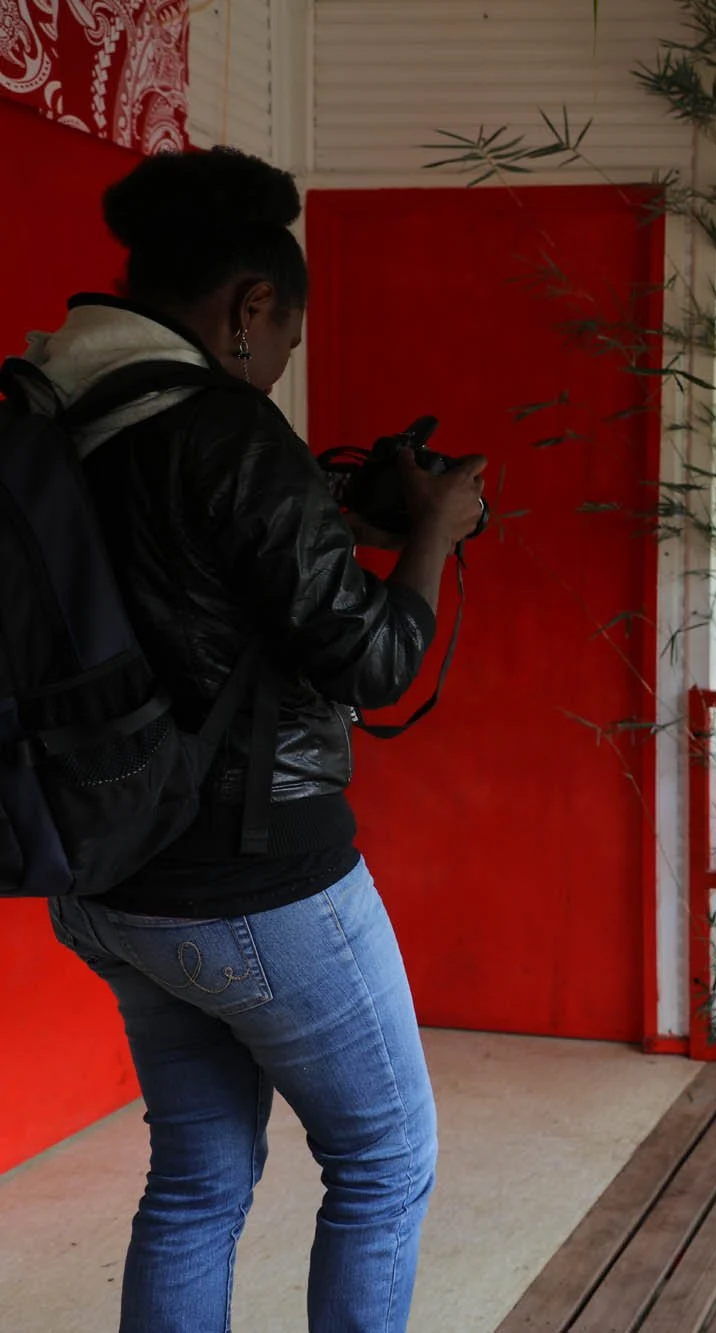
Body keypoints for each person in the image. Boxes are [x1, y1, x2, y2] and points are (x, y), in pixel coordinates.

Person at [31, 149, 485, 1332]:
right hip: (255, 879)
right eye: (284, 336)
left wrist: (330, 521)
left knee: (196, 1178)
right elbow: (376, 662)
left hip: (103, 872)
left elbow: (171, 580)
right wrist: (432, 529)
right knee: (385, 1165)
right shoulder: (231, 434)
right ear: (249, 308)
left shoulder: (55, 405)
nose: (281, 362)